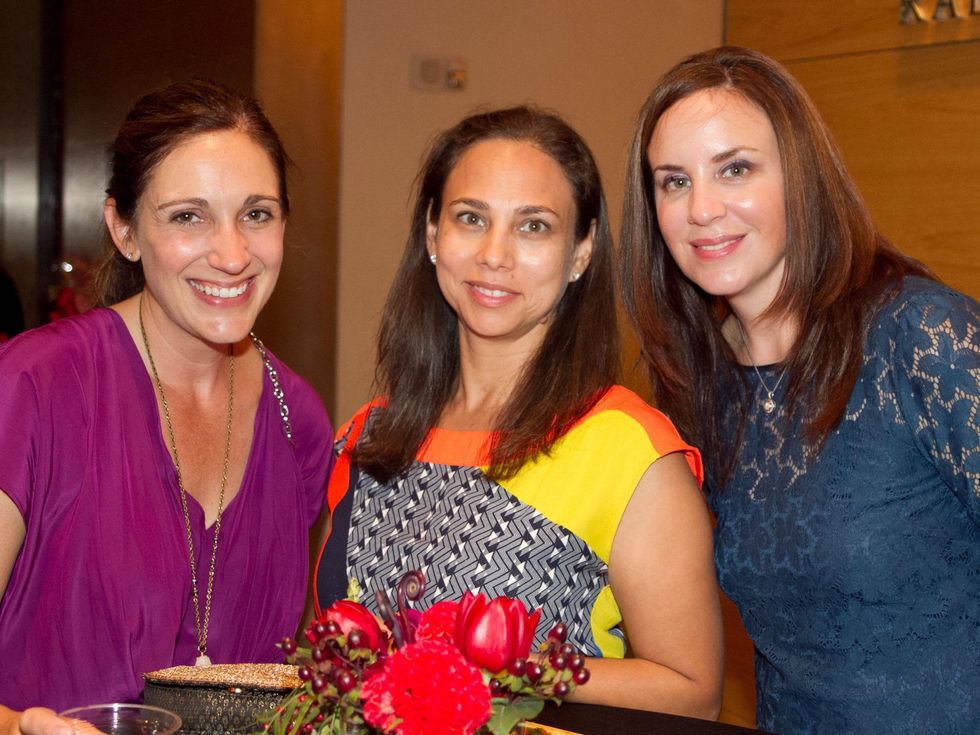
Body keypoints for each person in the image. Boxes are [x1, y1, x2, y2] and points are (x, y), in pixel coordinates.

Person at [316, 106, 723, 717]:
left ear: (581, 252)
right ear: (432, 235)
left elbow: (692, 694)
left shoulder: (628, 448)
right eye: (470, 218)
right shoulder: (368, 436)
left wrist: (495, 669)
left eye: (533, 227)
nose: (494, 254)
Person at [620, 46, 980, 734]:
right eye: (673, 181)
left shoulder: (921, 336)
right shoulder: (700, 389)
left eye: (735, 168)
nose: (701, 209)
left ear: (802, 175)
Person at [0, 79, 333, 732]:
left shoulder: (300, 422)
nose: (233, 253)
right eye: (188, 216)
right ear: (124, 229)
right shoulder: (33, 386)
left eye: (257, 214)